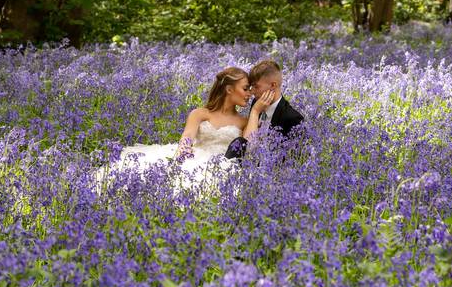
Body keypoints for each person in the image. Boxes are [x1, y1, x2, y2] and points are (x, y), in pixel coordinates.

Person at [94, 67, 276, 190]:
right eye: (245, 89)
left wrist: (255, 113)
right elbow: (187, 138)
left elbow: (249, 148)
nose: (250, 93)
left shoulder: (245, 122)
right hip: (194, 157)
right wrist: (182, 157)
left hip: (222, 164)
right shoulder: (200, 114)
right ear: (229, 89)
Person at [224, 59, 303, 160]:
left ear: (273, 85)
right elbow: (246, 144)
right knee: (239, 143)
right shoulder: (256, 104)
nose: (251, 91)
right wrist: (255, 112)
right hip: (247, 164)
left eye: (256, 86)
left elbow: (293, 160)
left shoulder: (292, 118)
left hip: (271, 170)